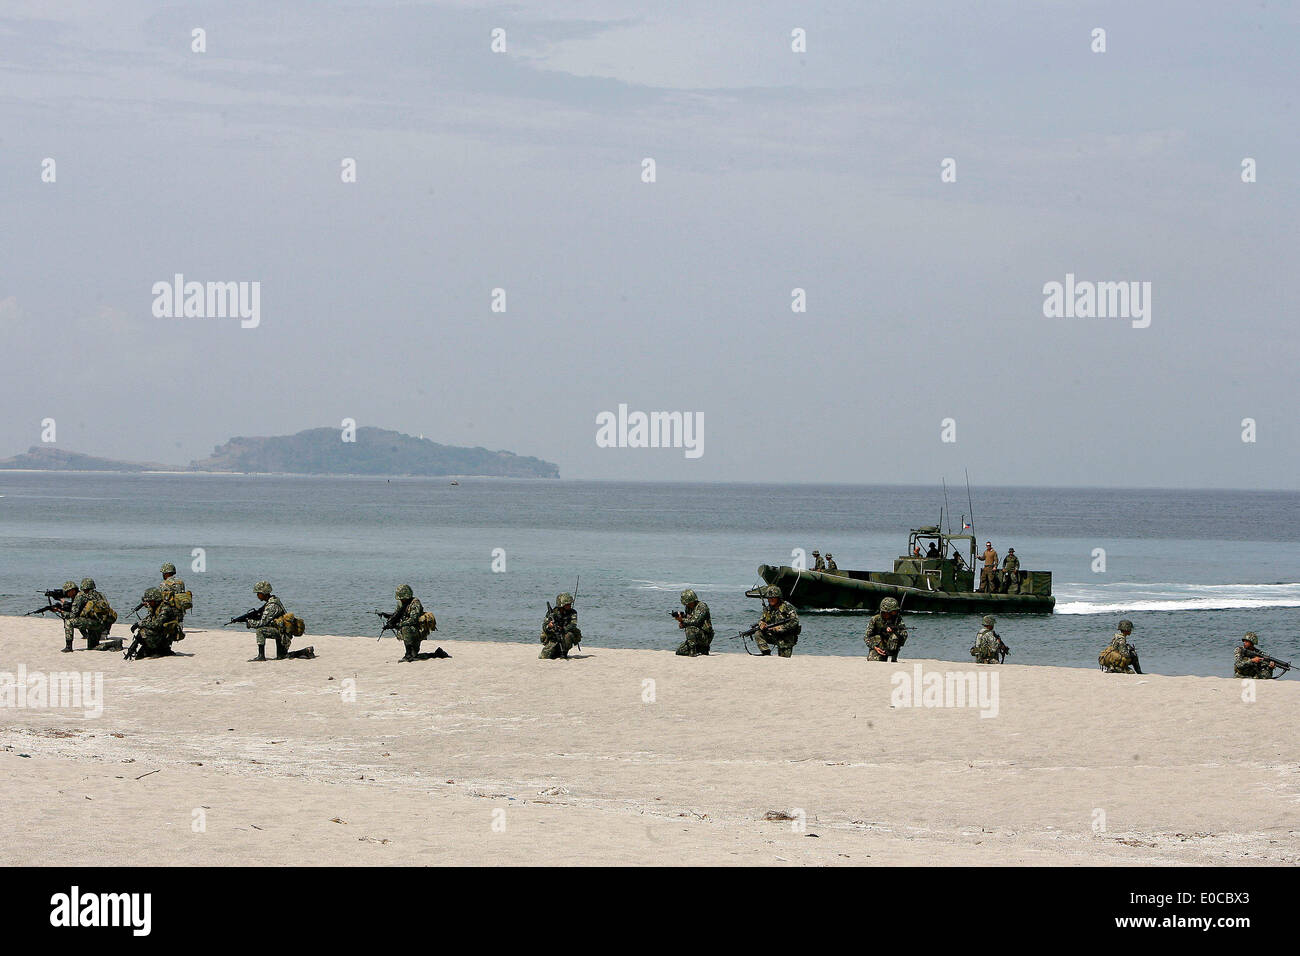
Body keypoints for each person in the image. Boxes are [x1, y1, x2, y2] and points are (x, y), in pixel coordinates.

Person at [60, 577, 115, 652]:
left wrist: (61, 612)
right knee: (93, 647)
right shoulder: (100, 594)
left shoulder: (81, 595)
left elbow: (73, 615)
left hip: (92, 624)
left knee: (69, 622)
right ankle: (114, 644)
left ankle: (68, 647)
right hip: (102, 625)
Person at [131, 587, 182, 658]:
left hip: (165, 636)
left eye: (150, 601)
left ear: (156, 600)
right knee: (142, 632)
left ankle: (160, 650)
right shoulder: (155, 607)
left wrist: (140, 624)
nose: (148, 603)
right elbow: (150, 620)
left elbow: (156, 625)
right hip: (160, 633)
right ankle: (151, 649)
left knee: (145, 631)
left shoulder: (165, 609)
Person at [245, 581, 287, 661]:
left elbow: (262, 623)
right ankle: (306, 651)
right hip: (282, 630)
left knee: (260, 630)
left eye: (258, 593)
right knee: (281, 656)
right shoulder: (273, 601)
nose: (257, 595)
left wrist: (250, 623)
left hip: (282, 633)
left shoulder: (272, 605)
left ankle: (261, 656)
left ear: (264, 593)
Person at [754, 585, 800, 657]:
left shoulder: (787, 607)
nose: (770, 600)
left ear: (778, 598)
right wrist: (761, 624)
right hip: (774, 635)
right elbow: (761, 619)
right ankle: (766, 653)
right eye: (769, 598)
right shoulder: (768, 609)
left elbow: (795, 621)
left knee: (784, 659)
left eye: (773, 598)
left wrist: (780, 628)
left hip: (786, 638)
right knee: (758, 633)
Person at [389, 584, 427, 662]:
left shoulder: (415, 603)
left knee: (405, 627)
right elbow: (397, 614)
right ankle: (410, 653)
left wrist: (399, 624)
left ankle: (408, 654)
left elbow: (413, 619)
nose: (401, 600)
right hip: (409, 631)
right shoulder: (401, 603)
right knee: (415, 654)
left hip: (416, 630)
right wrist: (390, 620)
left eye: (402, 598)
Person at [672, 588, 713, 656]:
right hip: (694, 638)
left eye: (687, 603)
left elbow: (695, 622)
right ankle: (700, 650)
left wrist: (682, 620)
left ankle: (694, 651)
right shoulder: (688, 608)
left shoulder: (702, 607)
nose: (687, 605)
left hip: (705, 636)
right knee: (680, 651)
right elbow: (688, 621)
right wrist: (682, 623)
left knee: (690, 629)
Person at [864, 596, 908, 661]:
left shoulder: (897, 619)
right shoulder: (875, 619)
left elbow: (904, 634)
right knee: (874, 661)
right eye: (893, 611)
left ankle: (893, 656)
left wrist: (894, 632)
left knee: (895, 636)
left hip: (892, 646)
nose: (895, 612)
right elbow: (867, 637)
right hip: (878, 646)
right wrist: (875, 647)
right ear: (886, 611)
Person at [540, 592, 581, 659]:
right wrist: (549, 626)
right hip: (554, 637)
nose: (570, 605)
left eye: (570, 603)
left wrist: (563, 629)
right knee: (544, 656)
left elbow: (573, 625)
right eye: (568, 604)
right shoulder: (552, 613)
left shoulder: (573, 612)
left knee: (569, 635)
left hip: (564, 635)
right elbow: (544, 626)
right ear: (562, 605)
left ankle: (564, 652)